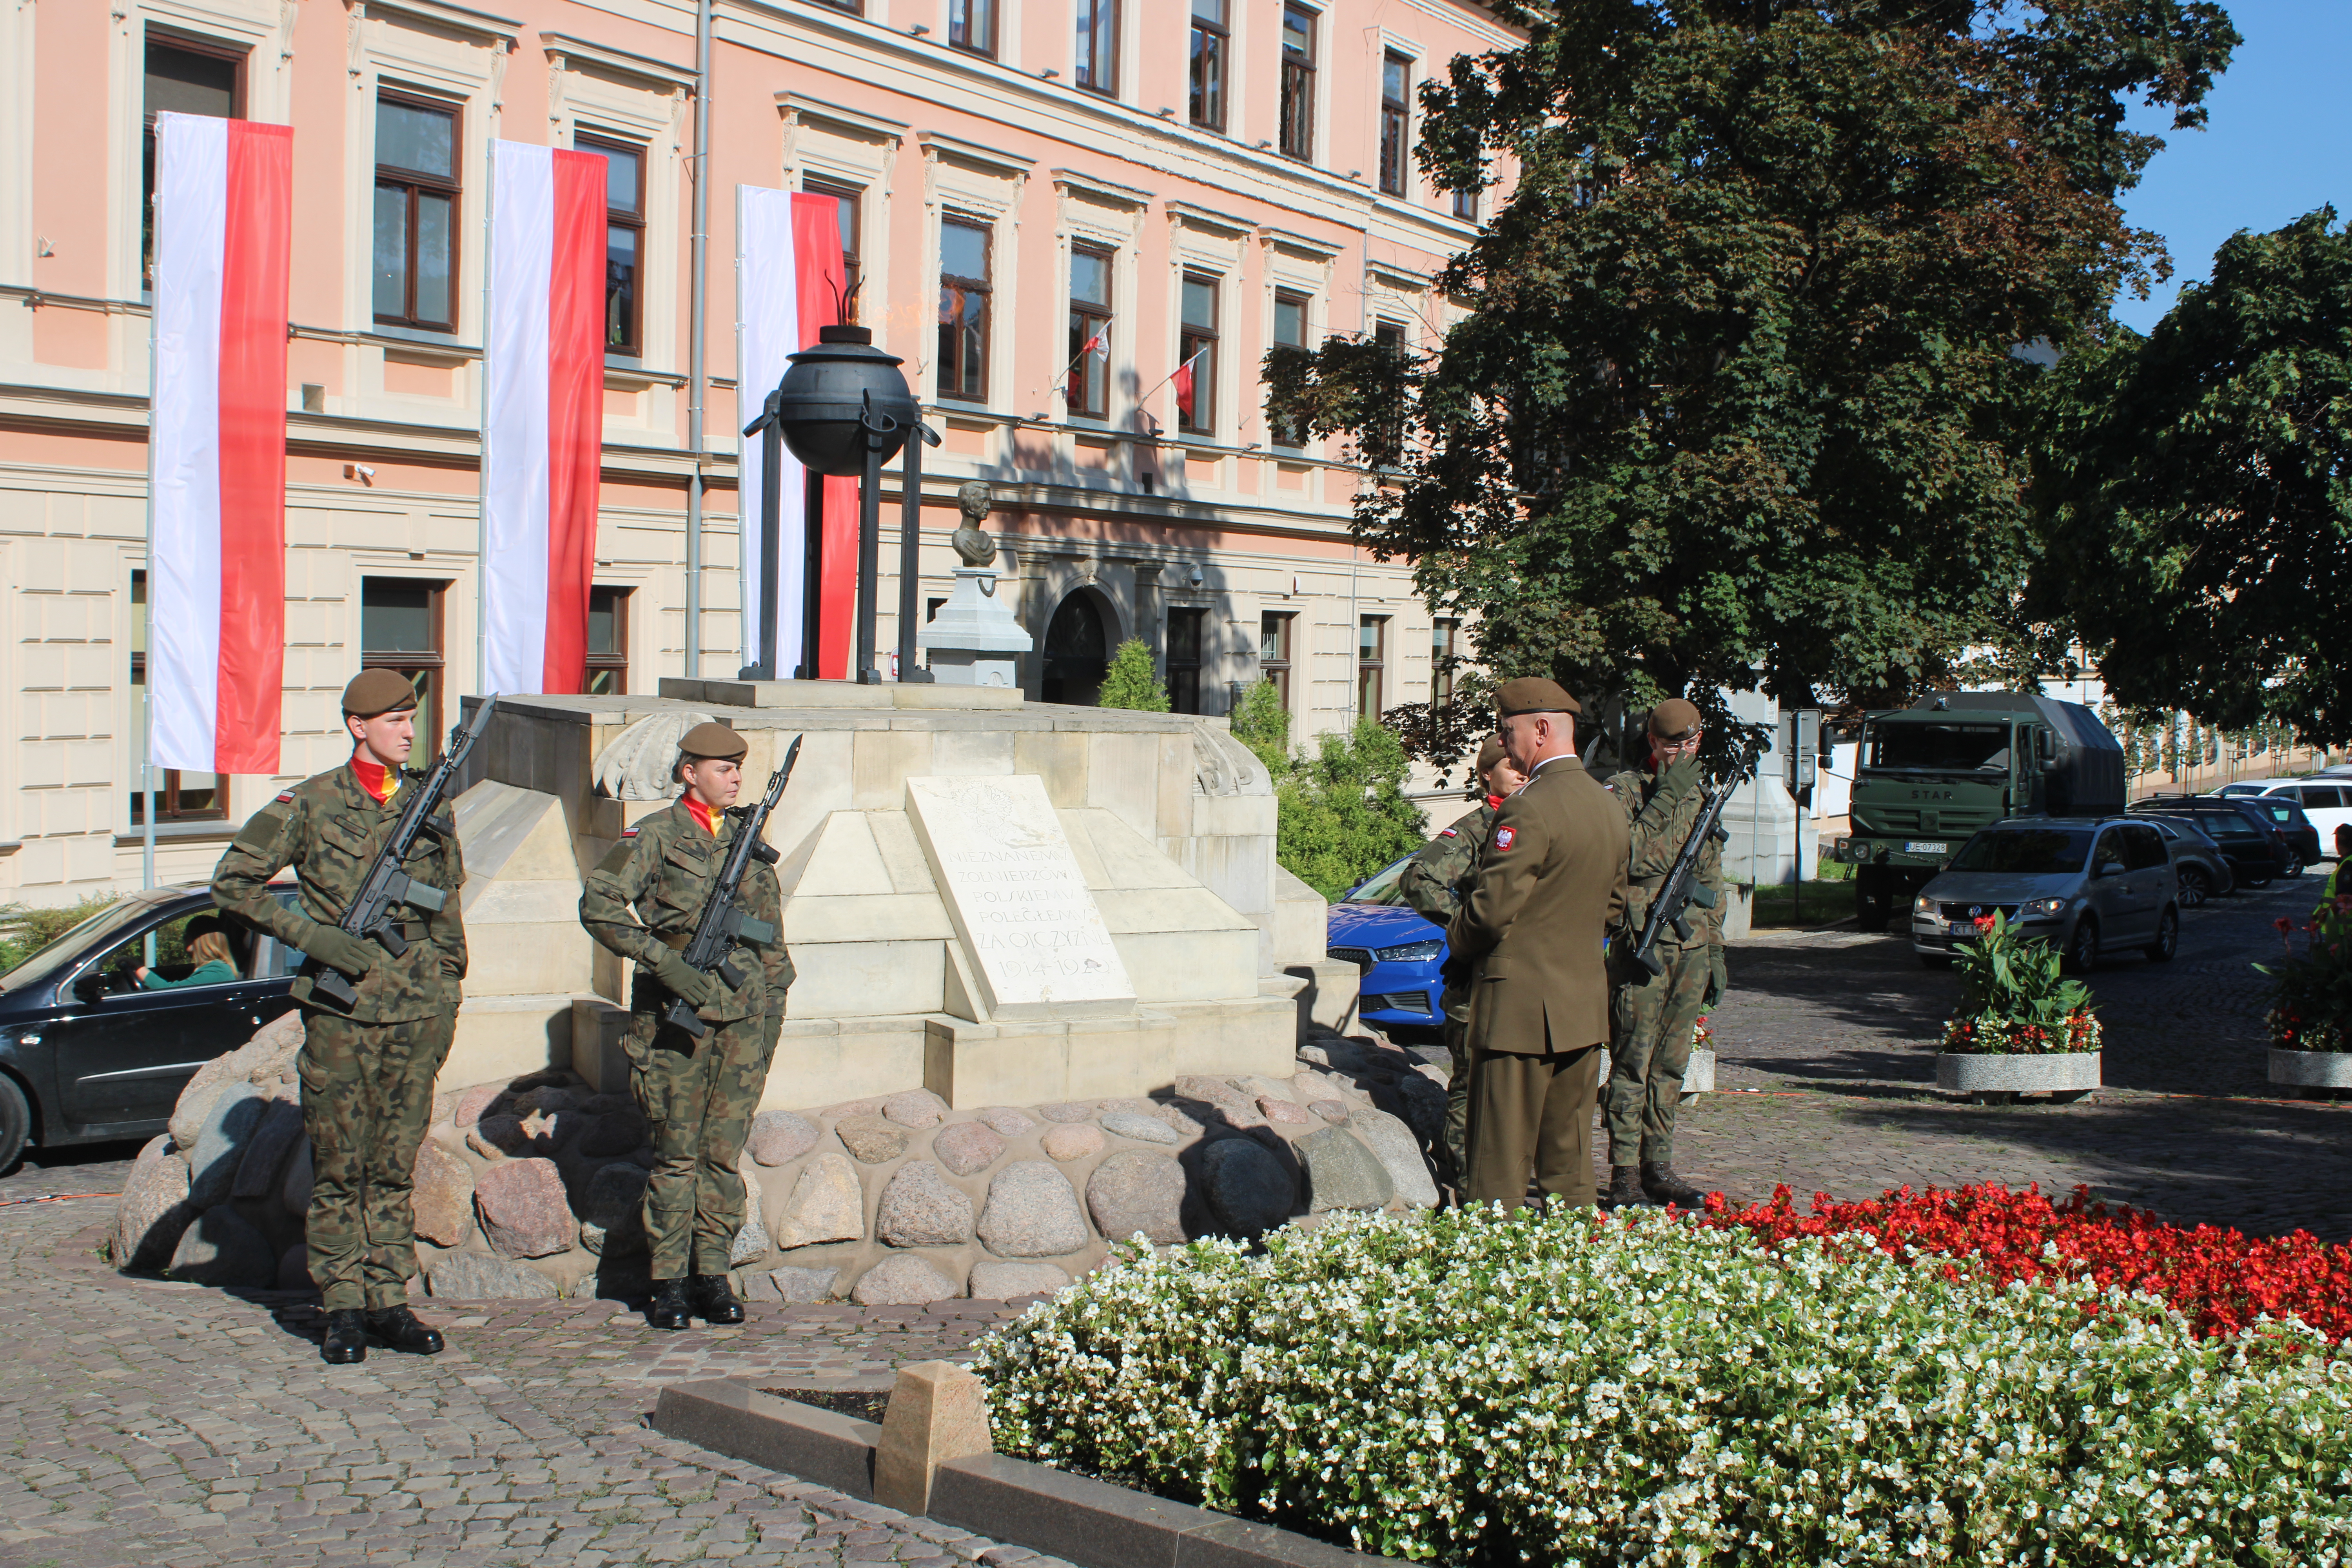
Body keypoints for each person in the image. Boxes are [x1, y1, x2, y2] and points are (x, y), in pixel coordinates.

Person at [211, 670, 466, 1365]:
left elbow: (445, 905)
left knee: (393, 1166)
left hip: (415, 1012)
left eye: (412, 719)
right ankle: (342, 1308)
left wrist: (448, 992)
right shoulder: (310, 803)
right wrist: (315, 939)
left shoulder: (427, 802)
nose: (409, 731)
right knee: (340, 1167)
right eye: (393, 720)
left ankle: (389, 1300)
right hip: (342, 1014)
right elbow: (232, 884)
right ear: (358, 725)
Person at [580, 722, 791, 1331]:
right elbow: (598, 904)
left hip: (742, 1023)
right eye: (721, 767)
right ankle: (668, 1282)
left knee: (720, 1159)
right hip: (677, 1022)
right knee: (676, 1157)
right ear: (687, 772)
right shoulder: (654, 837)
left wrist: (771, 1013)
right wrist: (665, 963)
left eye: (737, 767)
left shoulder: (747, 841)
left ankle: (713, 1275)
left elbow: (772, 940)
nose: (734, 776)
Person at [1447, 678, 1628, 1209]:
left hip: (1518, 1012)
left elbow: (1489, 911)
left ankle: (1491, 1274)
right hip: (1581, 1008)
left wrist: (1458, 945)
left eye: (1510, 732)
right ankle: (1569, 1272)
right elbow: (1613, 910)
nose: (1505, 745)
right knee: (1570, 1167)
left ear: (1542, 730)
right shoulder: (1608, 806)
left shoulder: (1528, 808)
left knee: (1495, 1169)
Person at [1602, 698, 1727, 1208]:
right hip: (1642, 947)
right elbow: (1622, 853)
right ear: (1652, 742)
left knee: (1672, 1066)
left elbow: (1712, 881)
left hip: (1691, 947)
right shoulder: (1626, 792)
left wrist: (1716, 951)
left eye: (1691, 743)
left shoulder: (1702, 796)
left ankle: (1660, 1165)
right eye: (1672, 743)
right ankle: (1625, 1173)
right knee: (1634, 1063)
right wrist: (1663, 801)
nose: (1682, 752)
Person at [1400, 736, 1527, 1187]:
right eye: (1507, 765)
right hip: (1476, 979)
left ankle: (1507, 1172)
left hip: (1524, 975)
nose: (1518, 772)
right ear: (1485, 775)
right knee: (1472, 1084)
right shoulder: (1477, 828)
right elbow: (1417, 878)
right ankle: (1466, 1174)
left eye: (1521, 765)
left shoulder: (1538, 821)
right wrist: (1466, 925)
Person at [134, 918, 238, 989]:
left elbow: (169, 991)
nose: (183, 940)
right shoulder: (213, 968)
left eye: (186, 936)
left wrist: (138, 967)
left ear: (198, 940)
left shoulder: (216, 972)